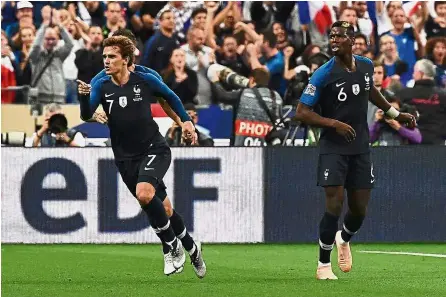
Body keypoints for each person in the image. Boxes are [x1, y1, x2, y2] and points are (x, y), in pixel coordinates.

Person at [295, 21, 416, 280]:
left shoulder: (366, 66)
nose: (334, 40)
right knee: (334, 206)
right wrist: (333, 123)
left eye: (339, 36)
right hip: (333, 147)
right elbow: (301, 112)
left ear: (353, 40)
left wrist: (396, 113)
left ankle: (344, 239)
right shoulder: (323, 73)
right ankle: (323, 265)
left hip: (360, 146)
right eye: (331, 36)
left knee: (359, 210)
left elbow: (369, 90)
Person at [77, 36, 206, 278]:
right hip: (125, 156)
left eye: (111, 56)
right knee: (164, 209)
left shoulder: (145, 78)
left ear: (126, 59)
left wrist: (185, 122)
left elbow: (171, 98)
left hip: (154, 148)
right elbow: (86, 115)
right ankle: (191, 246)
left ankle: (170, 246)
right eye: (104, 56)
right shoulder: (101, 84)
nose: (106, 60)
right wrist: (84, 97)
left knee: (144, 194)